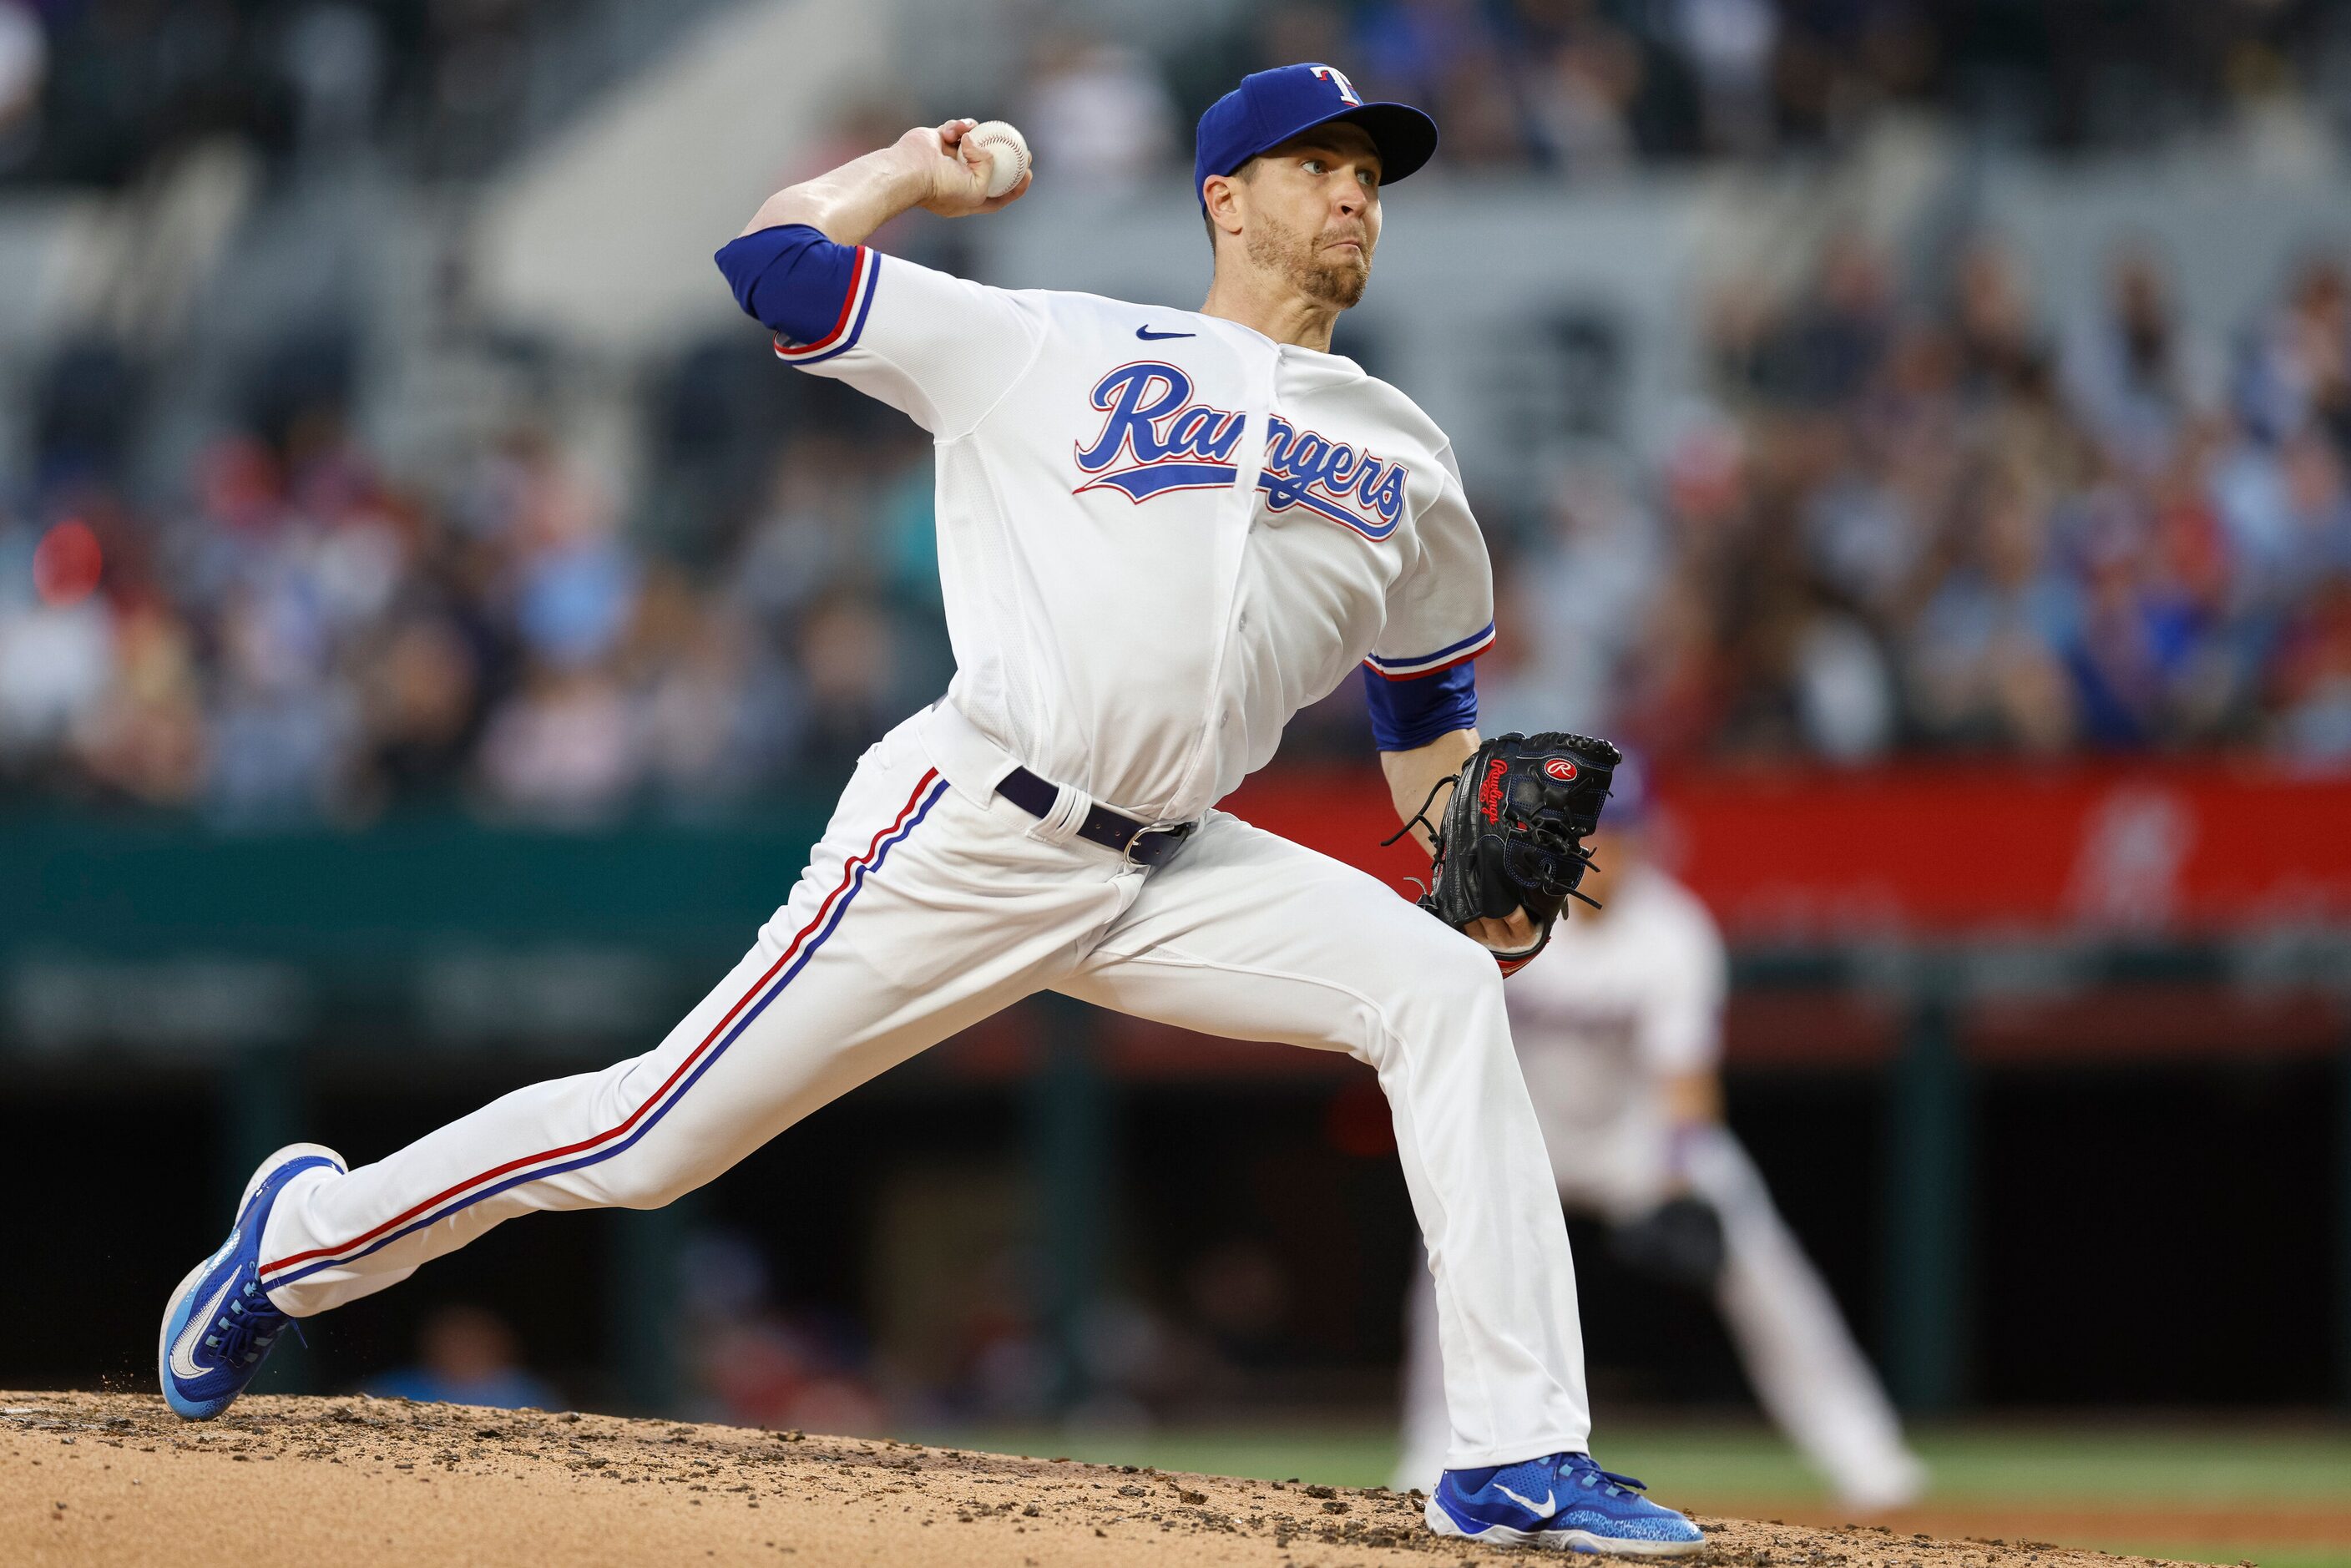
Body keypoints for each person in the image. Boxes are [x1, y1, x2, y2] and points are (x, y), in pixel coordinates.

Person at [159, 63, 1701, 1552]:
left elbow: (1425, 697)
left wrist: (1465, 863)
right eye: (1321, 168)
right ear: (1226, 198)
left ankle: (1511, 1458)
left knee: (1435, 989)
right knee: (650, 1139)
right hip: (969, 830)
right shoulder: (1057, 344)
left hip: (1180, 864)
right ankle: (299, 1243)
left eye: (1371, 178)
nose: (1355, 199)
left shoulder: (1405, 455)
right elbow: (773, 267)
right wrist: (904, 174)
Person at [1394, 765, 1929, 1511]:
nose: (1597, 849)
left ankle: (1864, 1452)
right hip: (1529, 1132)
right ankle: (1428, 1451)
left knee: (1756, 1247)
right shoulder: (1503, 910)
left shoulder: (1672, 931)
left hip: (1637, 1140)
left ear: (1642, 843)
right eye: (1580, 834)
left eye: (1612, 835)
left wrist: (1681, 1177)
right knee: (1452, 1255)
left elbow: (1686, 1083)